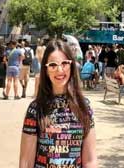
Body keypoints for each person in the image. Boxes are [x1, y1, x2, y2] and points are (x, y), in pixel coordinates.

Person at [19, 39, 97, 168]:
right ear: (46, 69)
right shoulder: (35, 109)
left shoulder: (84, 106)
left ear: (71, 66)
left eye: (65, 63)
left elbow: (90, 160)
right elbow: (26, 162)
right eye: (53, 65)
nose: (60, 70)